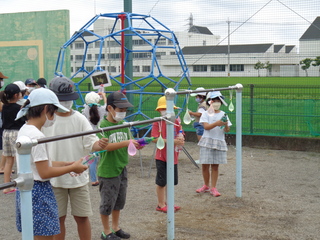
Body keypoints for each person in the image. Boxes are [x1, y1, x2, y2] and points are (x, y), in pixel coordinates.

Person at [15, 88, 89, 239]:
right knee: (44, 235)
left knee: (31, 233)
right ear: (45, 109)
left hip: (26, 190)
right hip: (39, 191)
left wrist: (64, 164)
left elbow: (37, 164)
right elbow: (44, 172)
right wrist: (72, 167)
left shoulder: (25, 129)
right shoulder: (38, 136)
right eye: (53, 112)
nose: (54, 116)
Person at [42, 76, 109, 240]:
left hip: (78, 177)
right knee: (58, 219)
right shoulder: (46, 120)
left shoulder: (79, 118)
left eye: (68, 99)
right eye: (61, 99)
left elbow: (91, 142)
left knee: (82, 217)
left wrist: (99, 144)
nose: (65, 103)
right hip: (55, 177)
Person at [97, 91, 139, 240]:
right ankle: (106, 231)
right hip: (108, 170)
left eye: (125, 110)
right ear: (110, 108)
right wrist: (127, 143)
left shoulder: (123, 125)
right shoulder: (103, 125)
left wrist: (136, 145)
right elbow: (105, 147)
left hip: (122, 167)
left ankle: (115, 227)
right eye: (120, 110)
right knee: (107, 202)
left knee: (119, 201)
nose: (123, 113)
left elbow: (130, 141)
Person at [151, 96, 184, 213]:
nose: (166, 111)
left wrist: (181, 138)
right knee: (161, 181)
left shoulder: (175, 121)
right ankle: (160, 204)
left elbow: (180, 132)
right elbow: (154, 138)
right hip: (162, 156)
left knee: (171, 181)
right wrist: (172, 141)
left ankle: (169, 202)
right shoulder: (157, 122)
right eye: (163, 108)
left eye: (169, 108)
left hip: (173, 156)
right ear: (159, 110)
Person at [196, 91, 232, 197]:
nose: (216, 103)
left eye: (218, 101)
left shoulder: (223, 114)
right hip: (207, 141)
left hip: (218, 141)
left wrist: (225, 125)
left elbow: (227, 130)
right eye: (214, 101)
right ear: (209, 102)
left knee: (215, 166)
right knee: (205, 165)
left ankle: (213, 187)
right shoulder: (206, 114)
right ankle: (206, 185)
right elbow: (206, 127)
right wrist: (217, 123)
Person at [0, 84, 25, 194]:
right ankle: (22, 183)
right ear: (16, 95)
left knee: (9, 161)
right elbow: (22, 121)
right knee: (20, 160)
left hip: (5, 133)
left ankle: (7, 186)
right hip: (16, 133)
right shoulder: (18, 108)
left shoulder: (4, 106)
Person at [82, 91, 107, 186]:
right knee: (98, 157)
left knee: (92, 157)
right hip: (99, 135)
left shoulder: (84, 110)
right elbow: (107, 106)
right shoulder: (101, 110)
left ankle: (93, 179)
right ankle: (97, 177)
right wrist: (104, 96)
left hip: (88, 135)